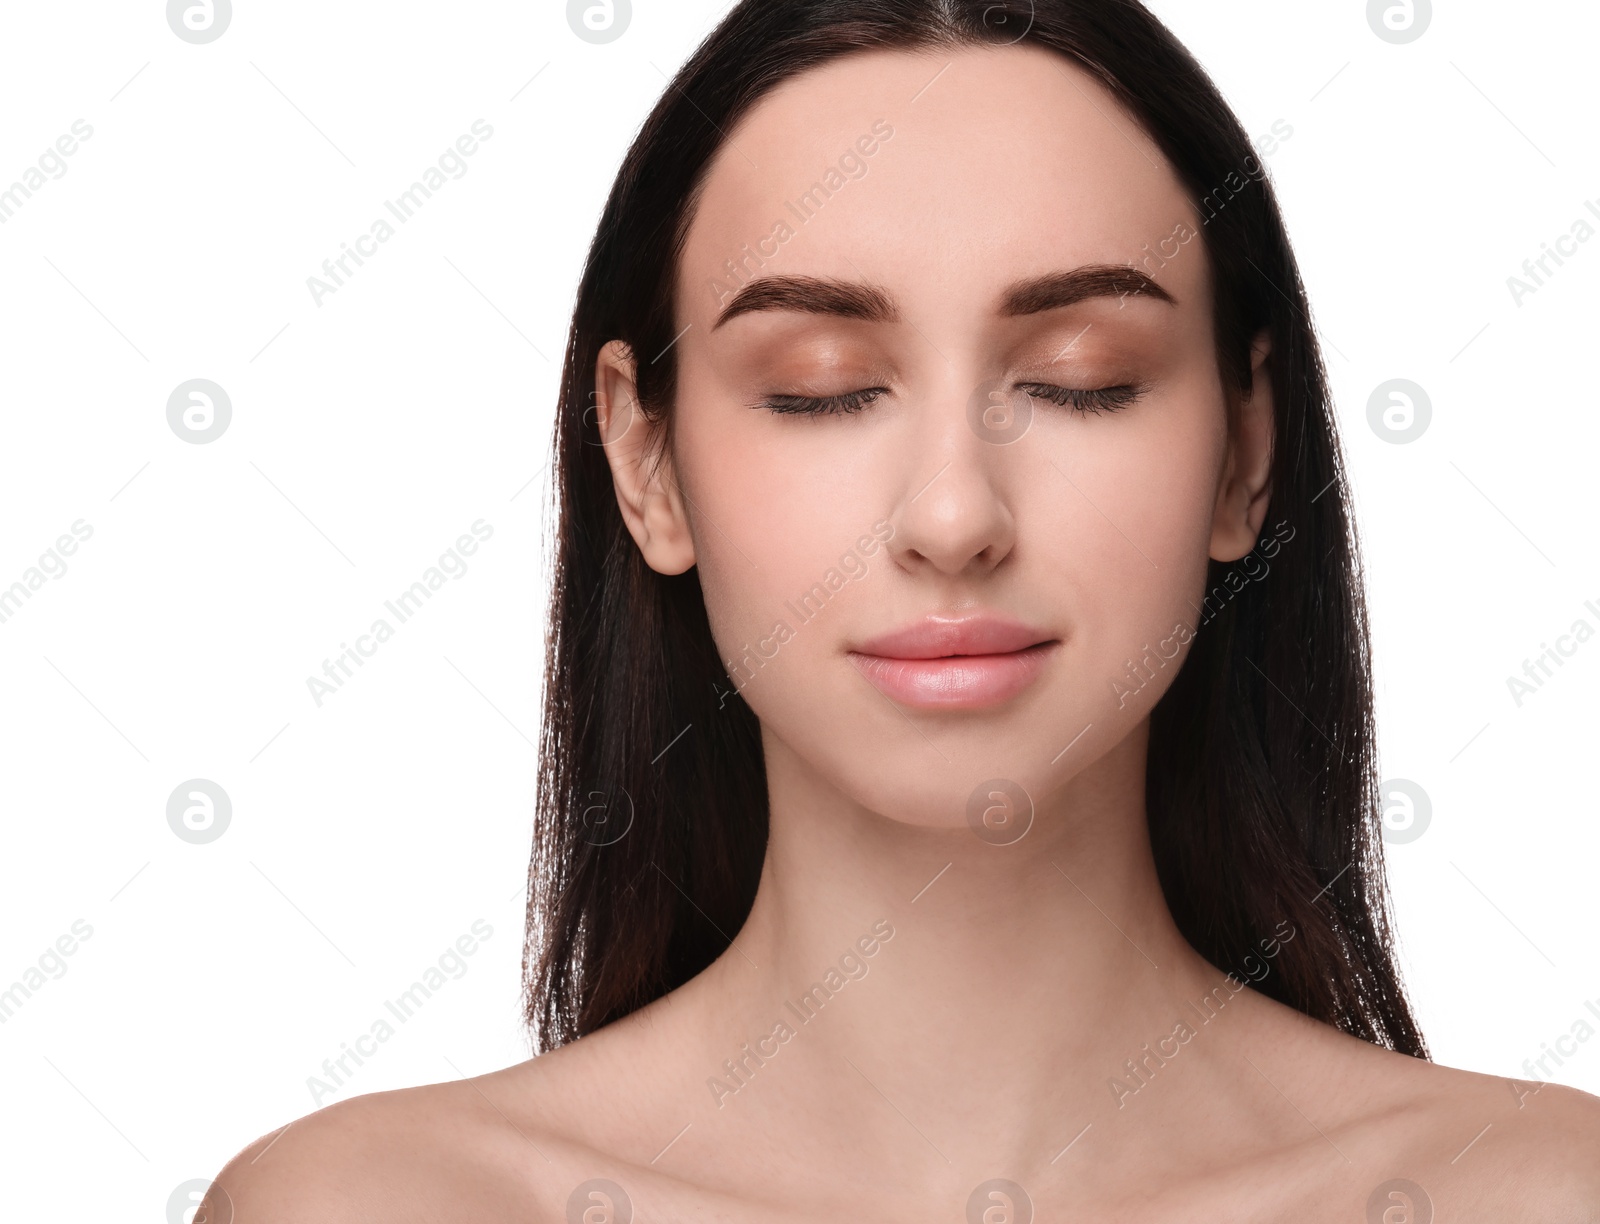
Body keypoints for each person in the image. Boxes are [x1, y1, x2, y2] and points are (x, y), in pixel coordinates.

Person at [209, 2, 1600, 1218]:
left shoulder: (1539, 1198)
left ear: (1246, 450)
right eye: (819, 385)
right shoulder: (378, 1209)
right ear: (646, 462)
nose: (952, 518)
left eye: (1082, 376)